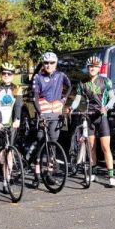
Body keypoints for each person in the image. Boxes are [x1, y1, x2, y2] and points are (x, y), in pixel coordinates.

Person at [68, 55, 115, 186]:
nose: (92, 69)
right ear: (88, 68)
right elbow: (78, 99)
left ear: (99, 68)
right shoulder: (82, 82)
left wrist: (106, 108)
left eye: (95, 67)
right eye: (90, 67)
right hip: (89, 116)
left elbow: (112, 98)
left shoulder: (105, 81)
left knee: (105, 147)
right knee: (92, 147)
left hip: (102, 117)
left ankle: (111, 176)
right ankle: (93, 173)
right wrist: (71, 108)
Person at [32, 51, 71, 186]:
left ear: (56, 64)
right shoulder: (38, 77)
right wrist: (39, 112)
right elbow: (35, 97)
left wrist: (63, 99)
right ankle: (36, 175)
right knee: (40, 143)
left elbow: (70, 86)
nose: (49, 65)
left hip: (56, 115)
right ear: (43, 64)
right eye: (46, 63)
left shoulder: (61, 75)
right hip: (43, 115)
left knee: (52, 146)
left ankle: (49, 173)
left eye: (52, 63)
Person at [0, 62, 23, 198]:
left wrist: (17, 119)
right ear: (0, 74)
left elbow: (18, 106)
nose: (6, 76)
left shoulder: (17, 88)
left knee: (9, 155)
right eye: (4, 73)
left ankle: (6, 183)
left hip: (10, 126)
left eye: (9, 74)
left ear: (13, 75)